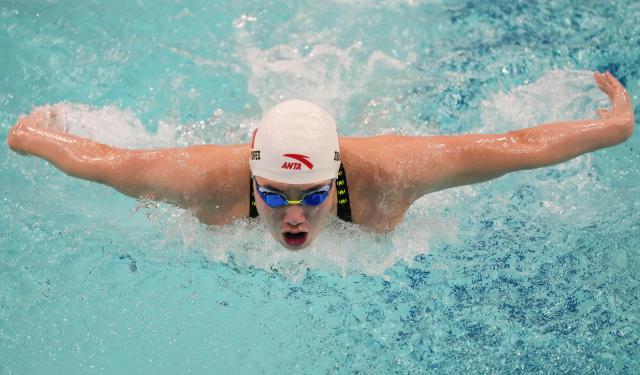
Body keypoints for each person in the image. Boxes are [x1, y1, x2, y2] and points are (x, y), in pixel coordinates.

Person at [6, 71, 635, 250]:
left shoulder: (391, 175)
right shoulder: (206, 182)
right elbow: (109, 161)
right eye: (274, 193)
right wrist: (33, 138)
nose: (292, 213)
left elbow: (513, 147)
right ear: (253, 176)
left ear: (335, 175)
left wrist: (611, 129)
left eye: (308, 193)